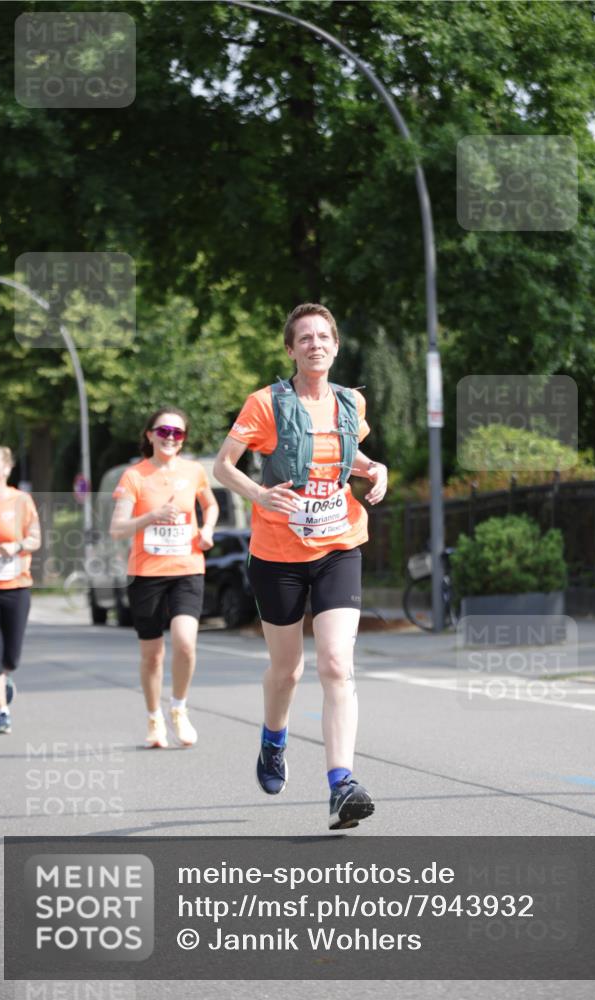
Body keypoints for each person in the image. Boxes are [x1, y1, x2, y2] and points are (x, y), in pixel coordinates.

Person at [214, 303, 388, 829]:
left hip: (339, 544)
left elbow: (342, 456)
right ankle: (273, 741)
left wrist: (376, 469)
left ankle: (342, 784)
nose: (315, 344)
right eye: (304, 338)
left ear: (335, 346)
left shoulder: (350, 402)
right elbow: (224, 465)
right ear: (290, 349)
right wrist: (259, 495)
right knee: (286, 670)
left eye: (324, 337)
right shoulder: (266, 404)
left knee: (336, 663)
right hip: (278, 555)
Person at [110, 407, 219, 749]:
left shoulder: (195, 471)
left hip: (187, 567)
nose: (170, 438)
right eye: (163, 431)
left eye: (177, 433)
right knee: (152, 654)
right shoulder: (134, 477)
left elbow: (210, 505)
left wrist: (208, 530)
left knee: (186, 642)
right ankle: (154, 717)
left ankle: (179, 708)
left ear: (183, 438)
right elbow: (117, 529)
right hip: (146, 574)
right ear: (150, 435)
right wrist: (153, 515)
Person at [0, 445, 41, 734]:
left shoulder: (21, 501)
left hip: (16, 585)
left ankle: (4, 676)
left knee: (11, 656)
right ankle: (2, 712)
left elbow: (35, 539)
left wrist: (17, 546)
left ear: (6, 468)